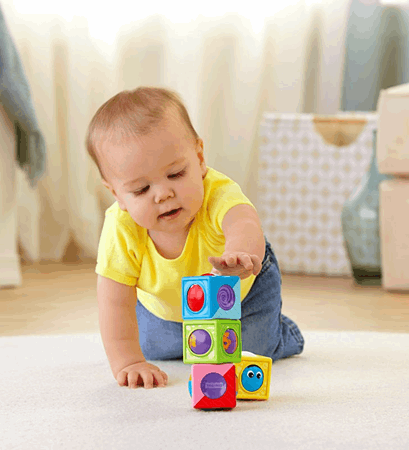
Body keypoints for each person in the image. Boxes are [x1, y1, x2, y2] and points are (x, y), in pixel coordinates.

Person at [86, 86, 304, 389]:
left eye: (175, 174)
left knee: (251, 349)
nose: (163, 193)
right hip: (166, 308)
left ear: (199, 158)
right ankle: (183, 340)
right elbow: (114, 302)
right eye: (141, 190)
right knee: (153, 349)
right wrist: (129, 361)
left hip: (243, 292)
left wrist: (240, 255)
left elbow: (243, 221)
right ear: (117, 195)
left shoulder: (217, 192)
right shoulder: (121, 229)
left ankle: (284, 333)